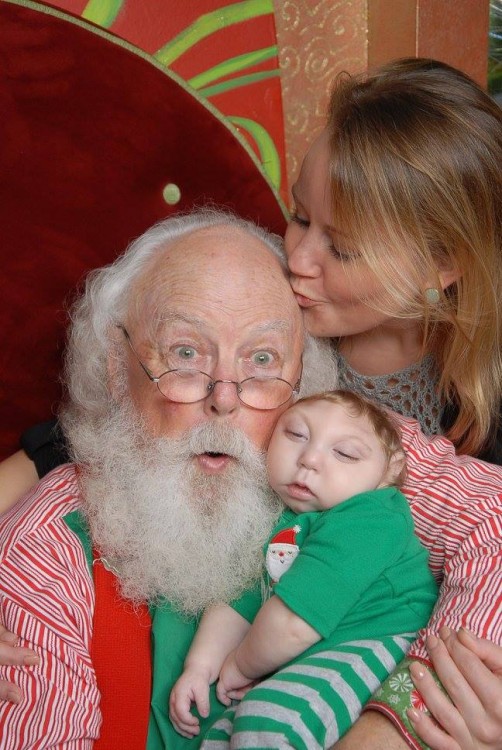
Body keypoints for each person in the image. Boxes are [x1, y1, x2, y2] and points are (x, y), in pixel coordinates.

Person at [1, 54, 502, 746]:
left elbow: (489, 524)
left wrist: (414, 717)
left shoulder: (359, 433)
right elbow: (75, 440)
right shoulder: (244, 302)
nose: (298, 259)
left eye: (264, 362)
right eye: (297, 218)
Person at [169, 390, 438, 749]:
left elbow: (294, 625)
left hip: (384, 645)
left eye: (344, 453)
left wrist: (240, 666)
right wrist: (201, 667)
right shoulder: (275, 520)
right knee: (220, 735)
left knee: (268, 719)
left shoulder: (373, 516)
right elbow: (239, 601)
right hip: (314, 657)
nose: (308, 459)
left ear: (390, 470)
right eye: (295, 435)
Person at [285, 57, 502, 464]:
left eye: (343, 250)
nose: (298, 259)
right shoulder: (267, 332)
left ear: (443, 264)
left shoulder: (490, 390)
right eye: (299, 217)